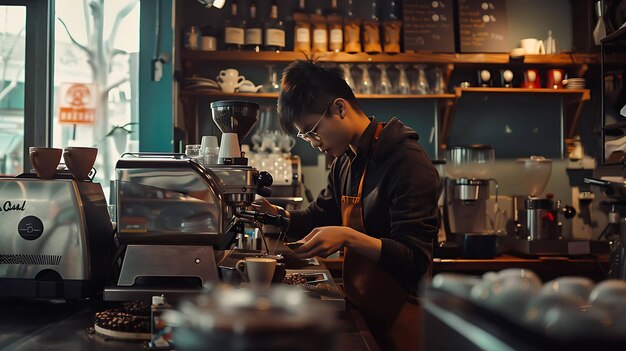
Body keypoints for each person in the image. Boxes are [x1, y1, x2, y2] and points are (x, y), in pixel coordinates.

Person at [253, 59, 440, 350]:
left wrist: (347, 236)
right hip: (364, 309)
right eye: (305, 136)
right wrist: (275, 215)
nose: (313, 143)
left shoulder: (407, 162)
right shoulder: (345, 162)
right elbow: (318, 216)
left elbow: (415, 260)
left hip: (403, 320)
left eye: (312, 130)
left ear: (339, 108)